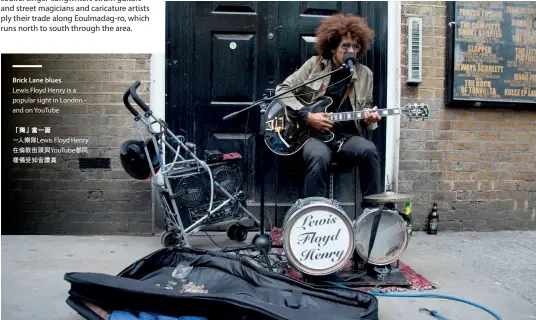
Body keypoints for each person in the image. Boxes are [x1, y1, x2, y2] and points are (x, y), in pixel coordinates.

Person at [275, 14, 382, 210]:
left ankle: (372, 212)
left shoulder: (364, 74)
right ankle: (315, 213)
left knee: (369, 150)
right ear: (333, 47)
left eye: (356, 47)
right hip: (310, 136)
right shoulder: (315, 65)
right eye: (346, 46)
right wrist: (307, 115)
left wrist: (369, 118)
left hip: (344, 137)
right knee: (319, 156)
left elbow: (365, 108)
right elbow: (282, 90)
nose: (351, 51)